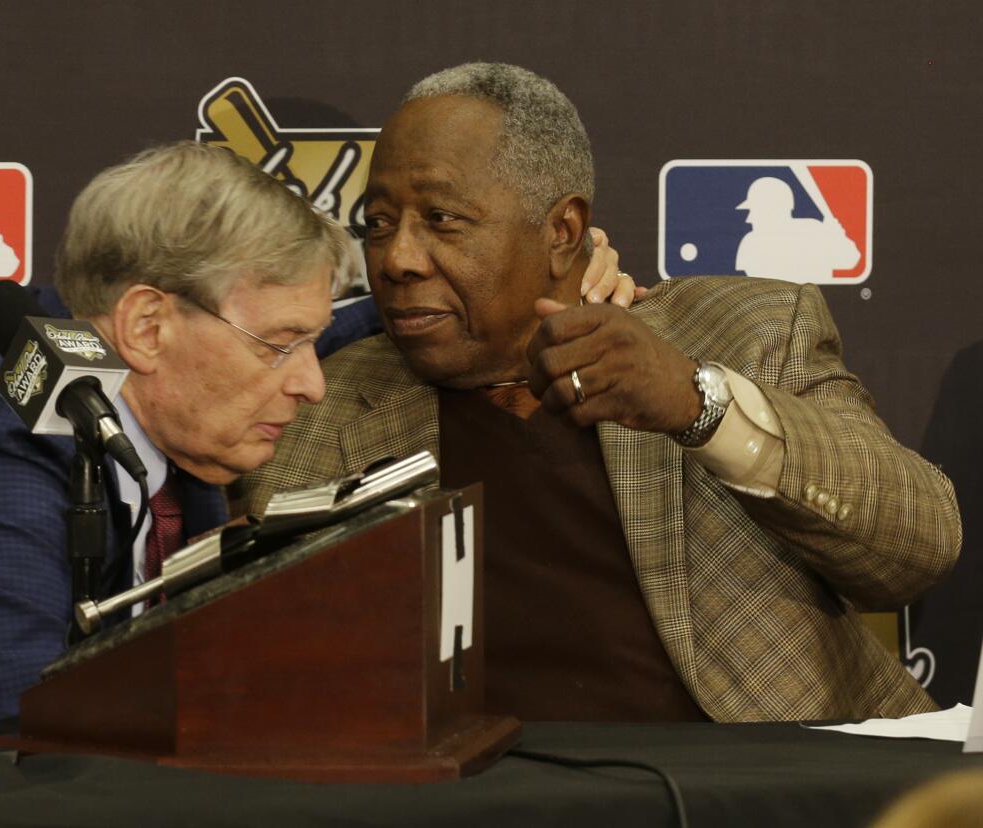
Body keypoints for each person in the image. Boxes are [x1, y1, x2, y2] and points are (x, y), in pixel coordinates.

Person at [0, 139, 630, 738]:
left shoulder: (105, 337)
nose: (310, 381)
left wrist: (512, 287)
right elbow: (20, 744)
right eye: (280, 347)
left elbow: (316, 327)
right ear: (147, 325)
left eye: (305, 339)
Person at [239, 63, 962, 722]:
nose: (396, 258)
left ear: (562, 232)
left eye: (442, 220)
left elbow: (916, 547)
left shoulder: (743, 332)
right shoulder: (320, 407)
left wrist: (698, 406)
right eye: (379, 223)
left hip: (750, 788)